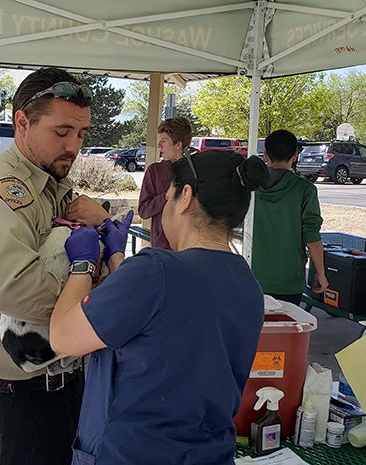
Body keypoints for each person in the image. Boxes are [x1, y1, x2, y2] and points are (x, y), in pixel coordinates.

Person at [50, 150, 270, 465]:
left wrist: (82, 265)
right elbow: (160, 316)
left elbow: (62, 336)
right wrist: (117, 259)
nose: (165, 207)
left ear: (186, 198)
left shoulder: (155, 272)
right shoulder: (248, 285)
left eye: (168, 198)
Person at [0, 67, 109, 465]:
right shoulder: (0, 192)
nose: (74, 146)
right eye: (62, 131)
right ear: (22, 122)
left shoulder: (52, 189)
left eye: (81, 134)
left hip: (53, 391)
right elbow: (10, 287)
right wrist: (92, 291)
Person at [252, 129, 328, 305]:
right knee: (286, 330)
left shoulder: (251, 188)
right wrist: (321, 273)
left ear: (265, 155)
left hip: (254, 276)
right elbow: (312, 238)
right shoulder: (305, 190)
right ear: (295, 155)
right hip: (289, 281)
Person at [138, 116, 193, 249]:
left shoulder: (194, 170)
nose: (159, 145)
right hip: (162, 249)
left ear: (178, 145)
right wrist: (165, 197)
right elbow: (143, 211)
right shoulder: (154, 171)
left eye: (164, 141)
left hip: (189, 247)